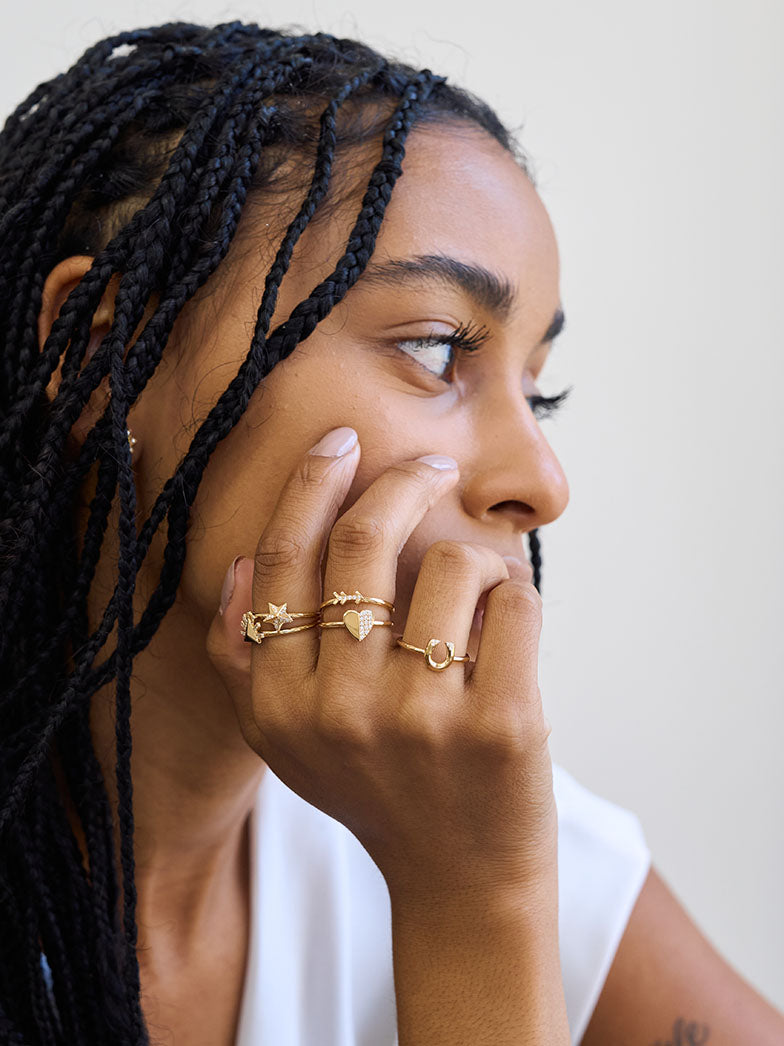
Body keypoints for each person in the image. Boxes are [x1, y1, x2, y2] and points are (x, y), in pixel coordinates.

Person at [0, 20, 781, 1046]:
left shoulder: (480, 829)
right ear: (105, 349)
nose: (540, 483)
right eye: (434, 345)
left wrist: (472, 905)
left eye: (536, 395)